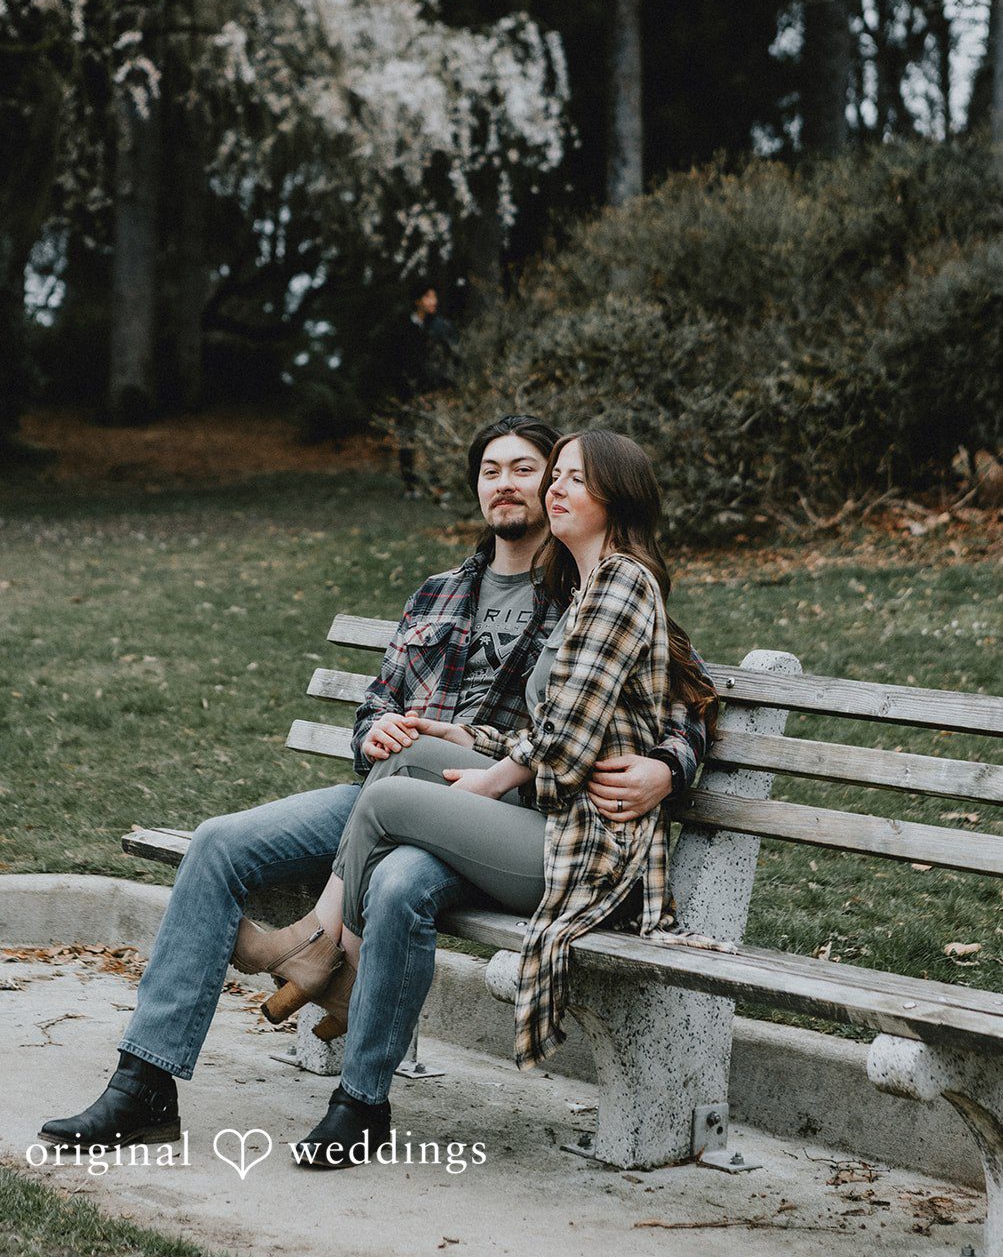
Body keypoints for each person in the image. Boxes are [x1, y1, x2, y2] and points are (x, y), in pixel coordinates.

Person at [38, 416, 707, 1154]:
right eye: (492, 470)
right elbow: (376, 706)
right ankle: (144, 1084)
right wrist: (381, 732)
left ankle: (344, 1045)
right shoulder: (439, 593)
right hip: (413, 785)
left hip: (501, 813)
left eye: (529, 468)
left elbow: (676, 701)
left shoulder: (584, 583)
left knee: (398, 884)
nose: (511, 484)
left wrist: (666, 768)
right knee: (219, 843)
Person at [287, 430, 718, 1167]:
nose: (554, 488)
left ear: (614, 495)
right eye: (557, 476)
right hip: (545, 827)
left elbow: (567, 743)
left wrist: (491, 778)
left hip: (586, 851)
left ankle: (327, 954)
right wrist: (454, 740)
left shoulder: (622, 585)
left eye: (573, 480)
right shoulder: (585, 589)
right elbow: (545, 728)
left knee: (386, 804)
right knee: (408, 758)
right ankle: (331, 981)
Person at [395, 284, 457, 498]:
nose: (434, 301)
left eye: (434, 296)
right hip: (408, 393)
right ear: (417, 300)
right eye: (428, 296)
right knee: (407, 438)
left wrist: (439, 390)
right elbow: (398, 363)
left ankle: (438, 484)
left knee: (438, 438)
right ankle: (411, 485)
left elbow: (448, 361)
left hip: (436, 392)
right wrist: (411, 392)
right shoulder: (403, 327)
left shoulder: (442, 327)